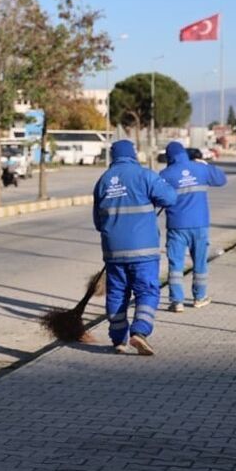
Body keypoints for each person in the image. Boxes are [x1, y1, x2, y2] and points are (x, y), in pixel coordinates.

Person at [93, 140, 176, 355]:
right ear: (133, 154)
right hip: (143, 250)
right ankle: (139, 332)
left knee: (117, 293)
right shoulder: (145, 175)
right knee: (147, 290)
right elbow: (170, 198)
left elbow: (98, 222)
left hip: (113, 251)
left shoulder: (103, 181)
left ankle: (118, 340)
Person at [158, 141, 228, 312]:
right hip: (200, 224)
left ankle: (177, 302)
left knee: (176, 264)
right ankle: (199, 297)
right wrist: (206, 165)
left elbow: (158, 198)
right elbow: (221, 179)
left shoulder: (165, 174)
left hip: (176, 226)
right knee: (200, 263)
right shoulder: (200, 169)